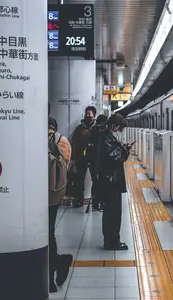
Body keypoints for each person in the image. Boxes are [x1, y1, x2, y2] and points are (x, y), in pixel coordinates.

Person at [95, 114, 131, 250]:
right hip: (111, 181)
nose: (118, 130)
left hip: (109, 180)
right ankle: (112, 242)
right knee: (113, 213)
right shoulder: (105, 138)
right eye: (119, 127)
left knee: (111, 212)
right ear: (114, 125)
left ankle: (111, 240)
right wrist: (124, 150)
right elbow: (114, 158)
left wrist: (121, 148)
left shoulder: (105, 136)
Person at [47, 117, 73, 292]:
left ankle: (49, 278)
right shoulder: (62, 140)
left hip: (36, 194)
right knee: (48, 232)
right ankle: (59, 262)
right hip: (53, 193)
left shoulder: (30, 136)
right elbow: (65, 167)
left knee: (46, 233)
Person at [69, 106, 97, 207]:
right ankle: (79, 200)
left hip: (93, 158)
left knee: (95, 180)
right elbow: (74, 143)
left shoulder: (96, 128)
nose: (87, 116)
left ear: (94, 115)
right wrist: (73, 158)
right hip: (81, 158)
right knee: (79, 179)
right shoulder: (79, 128)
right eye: (86, 114)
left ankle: (95, 201)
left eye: (89, 114)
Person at [85, 114, 108, 211]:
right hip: (98, 162)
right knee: (100, 182)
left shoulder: (92, 131)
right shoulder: (100, 133)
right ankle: (99, 203)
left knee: (96, 182)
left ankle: (96, 203)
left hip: (92, 161)